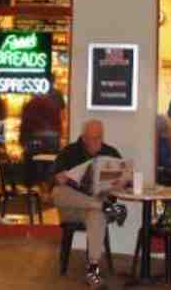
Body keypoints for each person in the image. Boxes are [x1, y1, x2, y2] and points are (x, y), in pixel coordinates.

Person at [52, 119, 127, 290]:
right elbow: (53, 179)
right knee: (57, 192)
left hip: (94, 209)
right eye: (92, 138)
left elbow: (124, 179)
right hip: (73, 208)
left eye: (99, 137)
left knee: (97, 215)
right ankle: (104, 207)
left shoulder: (110, 152)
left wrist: (122, 182)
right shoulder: (69, 152)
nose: (96, 142)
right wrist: (60, 177)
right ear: (83, 137)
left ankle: (93, 271)